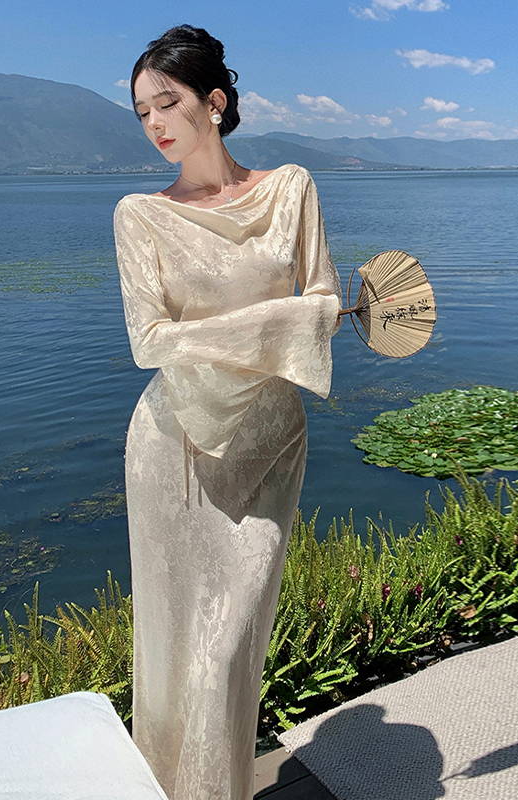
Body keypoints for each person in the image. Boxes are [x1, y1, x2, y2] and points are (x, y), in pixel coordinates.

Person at [112, 25, 342, 800]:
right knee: (176, 651)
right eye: (142, 112)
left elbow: (324, 296)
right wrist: (287, 320)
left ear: (214, 102)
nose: (154, 124)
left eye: (167, 103)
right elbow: (149, 341)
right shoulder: (139, 215)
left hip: (270, 442)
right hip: (173, 444)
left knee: (229, 646)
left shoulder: (290, 189)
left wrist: (307, 314)